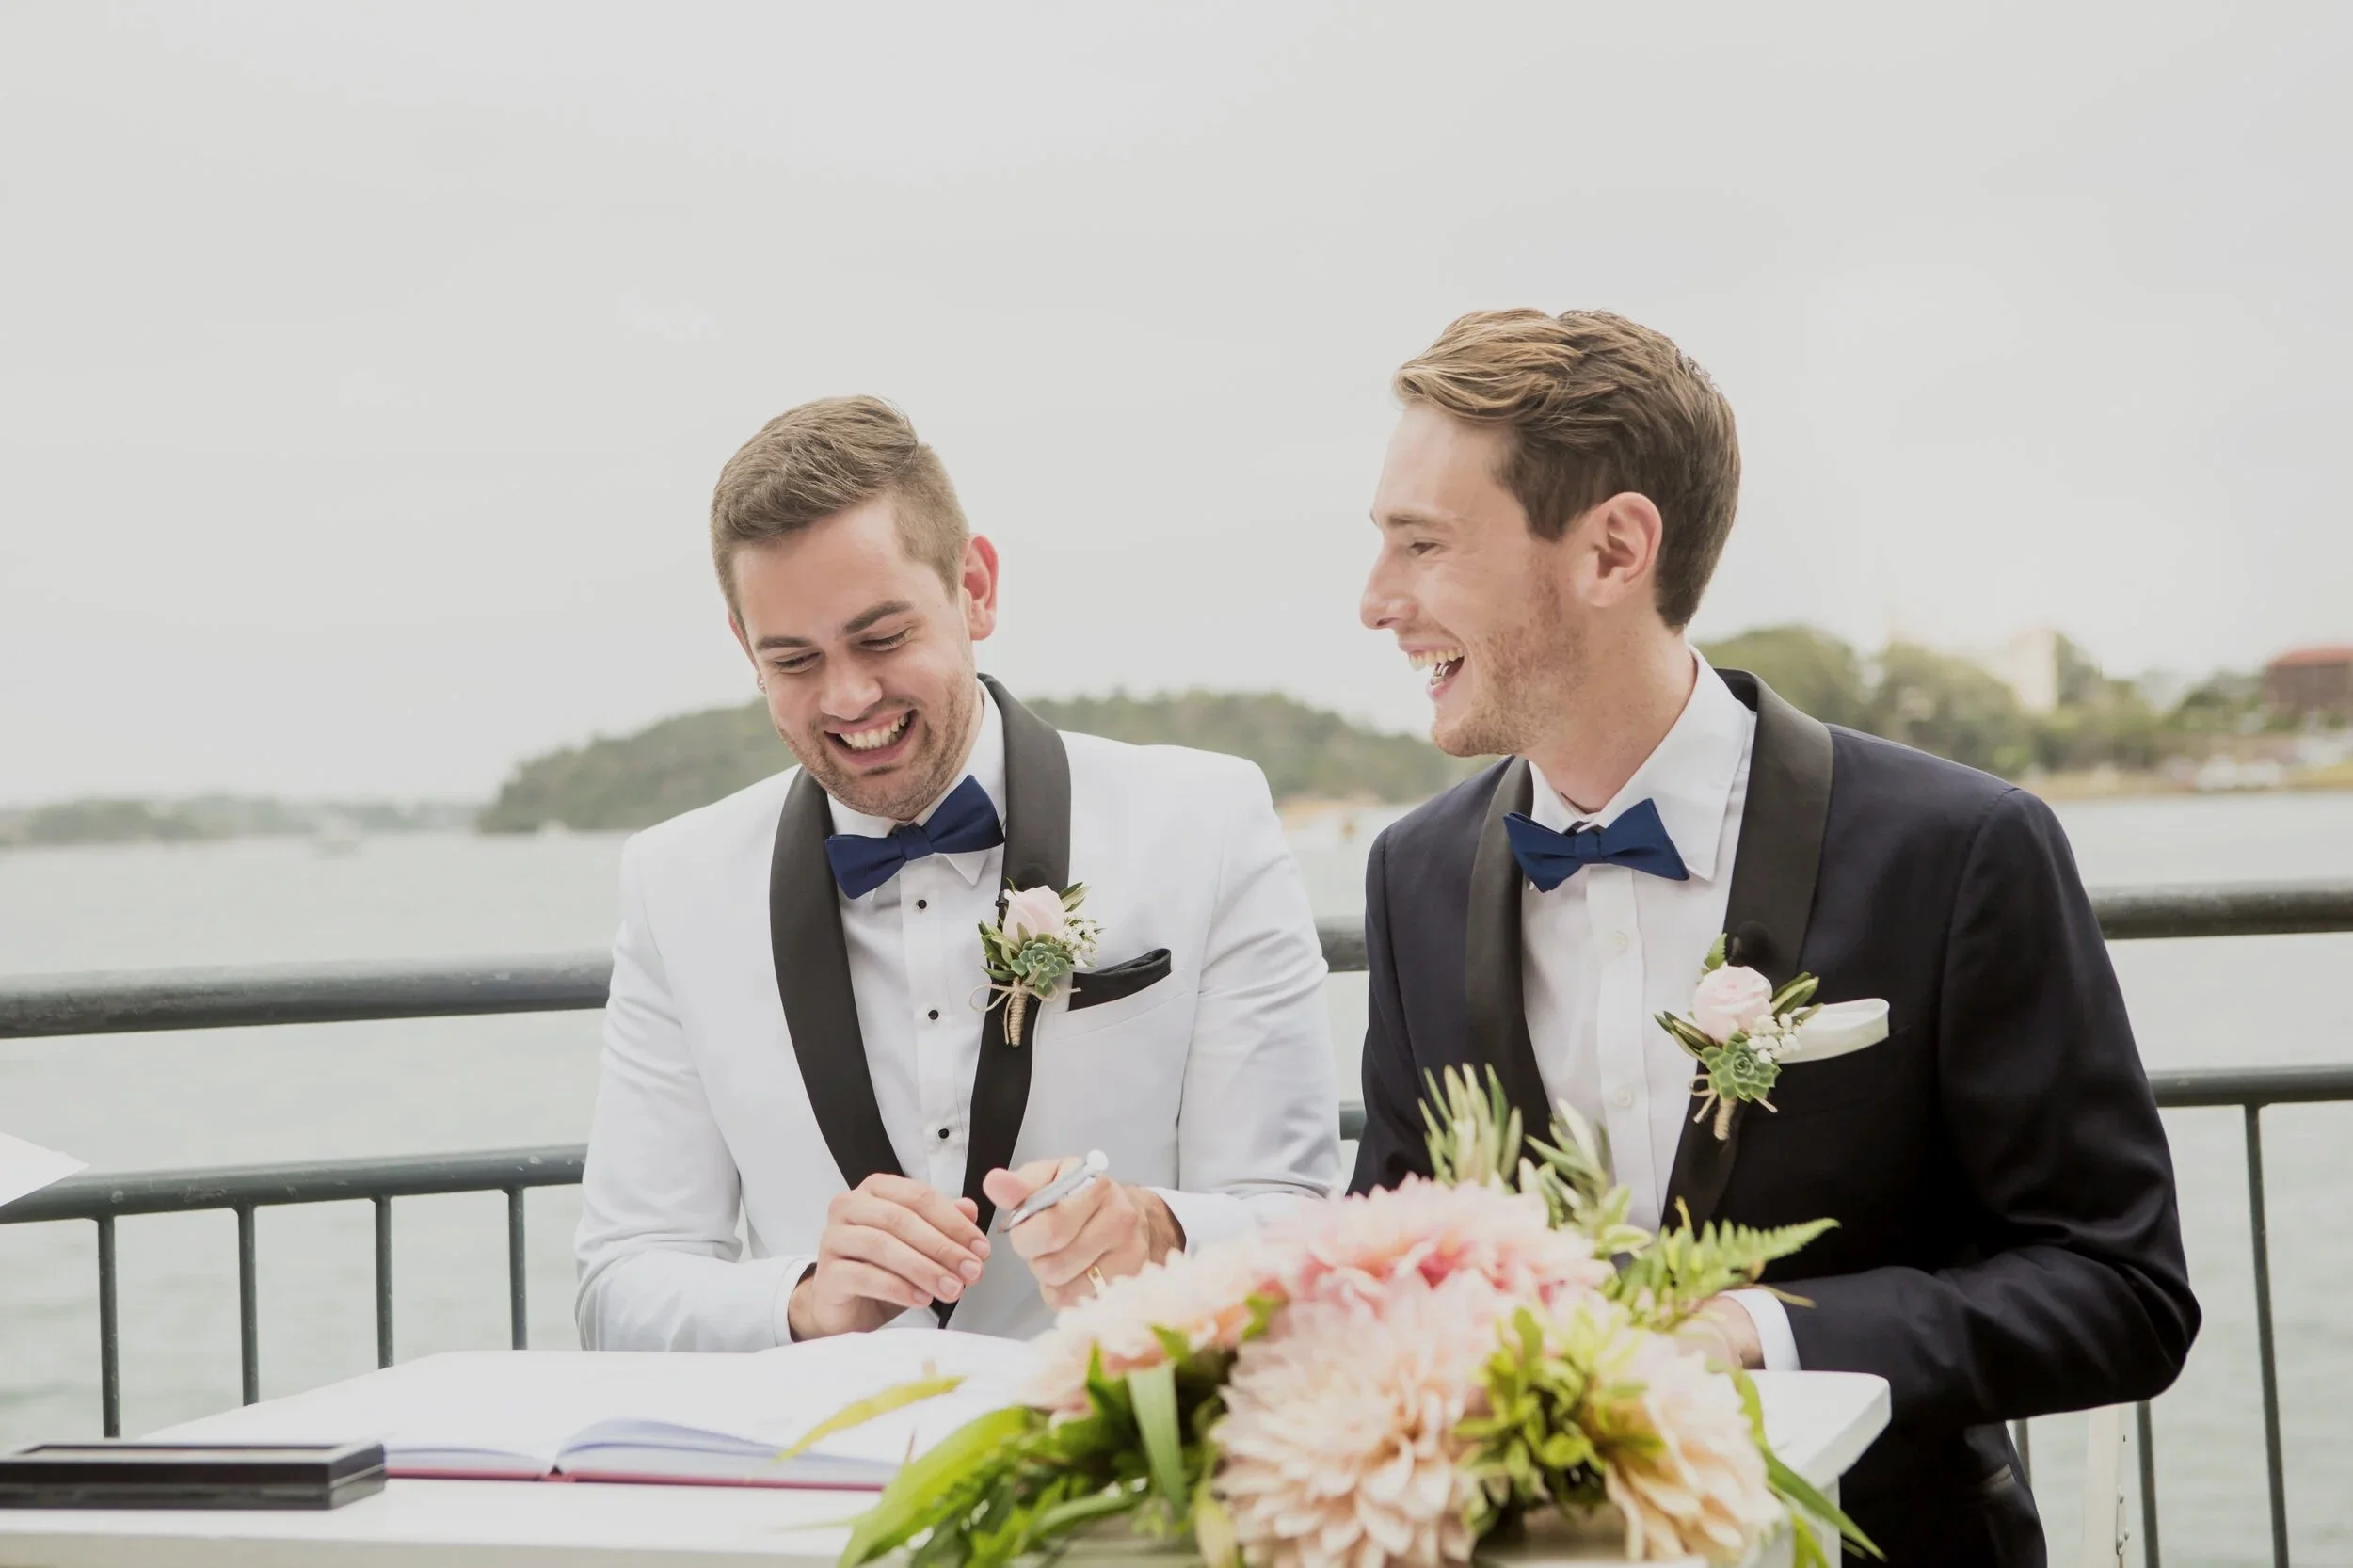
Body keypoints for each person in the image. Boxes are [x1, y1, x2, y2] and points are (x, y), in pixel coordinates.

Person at [1347, 310, 2198, 1564]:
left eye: (1420, 544)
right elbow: (1393, 1245)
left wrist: (1763, 1329)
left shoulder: (1960, 849)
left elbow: (2120, 1289)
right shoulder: (1410, 873)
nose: (1378, 602)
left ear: (1612, 550)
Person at [576, 396, 1338, 1349]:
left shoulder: (1206, 822)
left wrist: (1161, 1232)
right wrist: (801, 1301)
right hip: (829, 1479)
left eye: (882, 638)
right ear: (744, 648)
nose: (849, 697)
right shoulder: (672, 883)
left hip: (1126, 1460)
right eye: (794, 660)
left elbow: (1303, 1229)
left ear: (973, 586)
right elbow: (619, 1282)